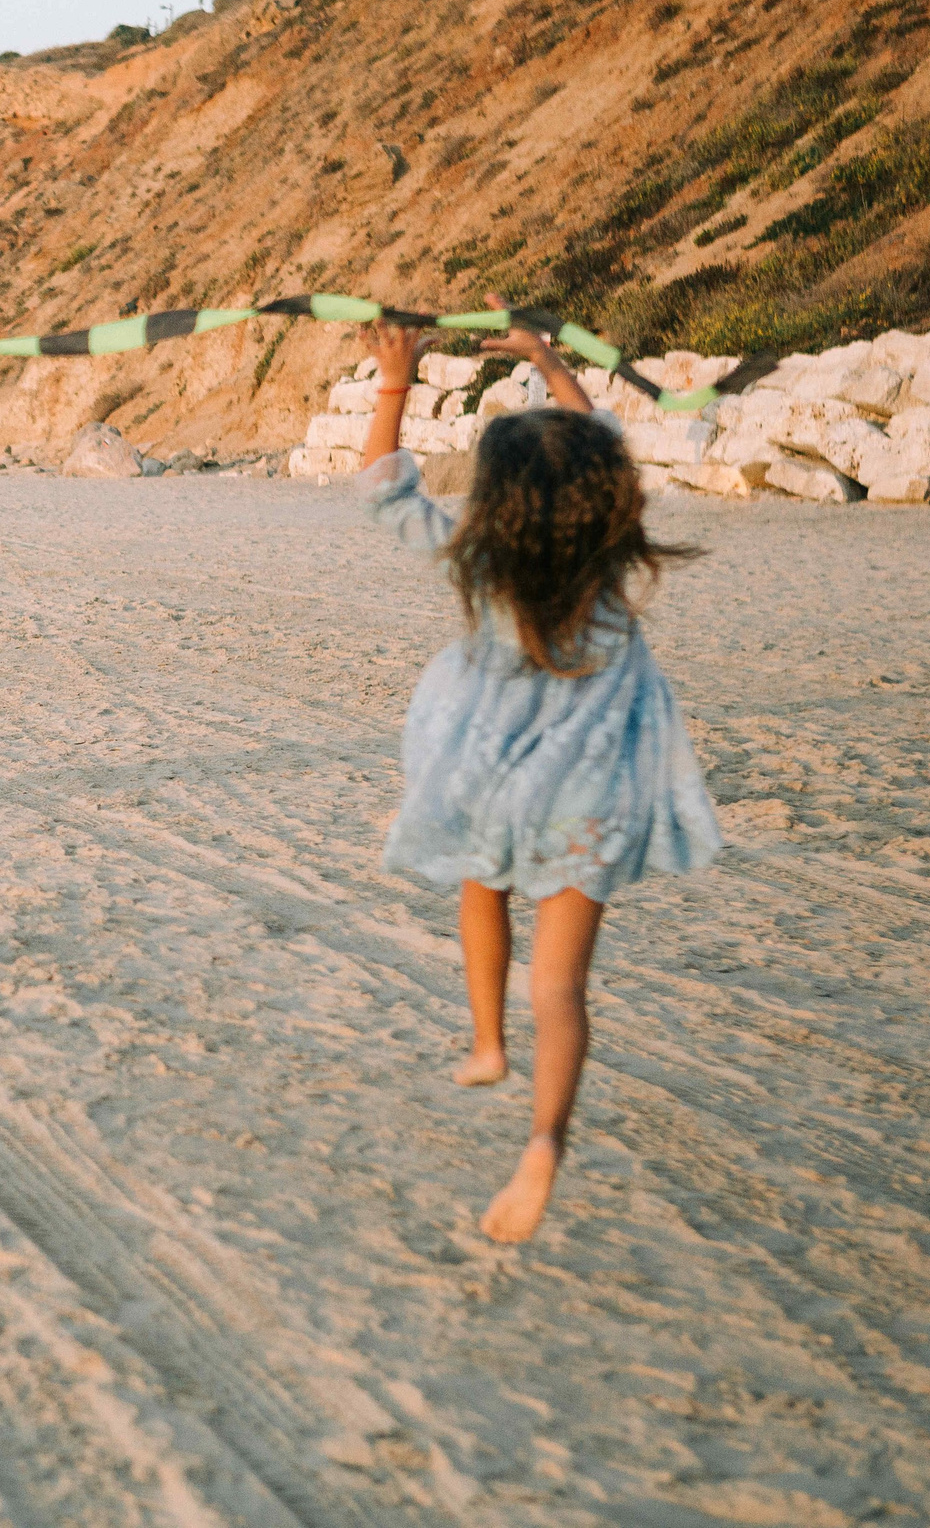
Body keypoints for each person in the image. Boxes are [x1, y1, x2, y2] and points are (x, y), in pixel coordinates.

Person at [356, 301, 718, 1242]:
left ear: (496, 495)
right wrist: (549, 360)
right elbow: (601, 443)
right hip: (594, 790)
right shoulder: (607, 554)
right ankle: (545, 1142)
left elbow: (384, 487)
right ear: (603, 493)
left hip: (495, 782)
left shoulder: (480, 562)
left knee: (482, 885)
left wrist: (395, 376)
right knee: (561, 986)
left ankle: (485, 1043)